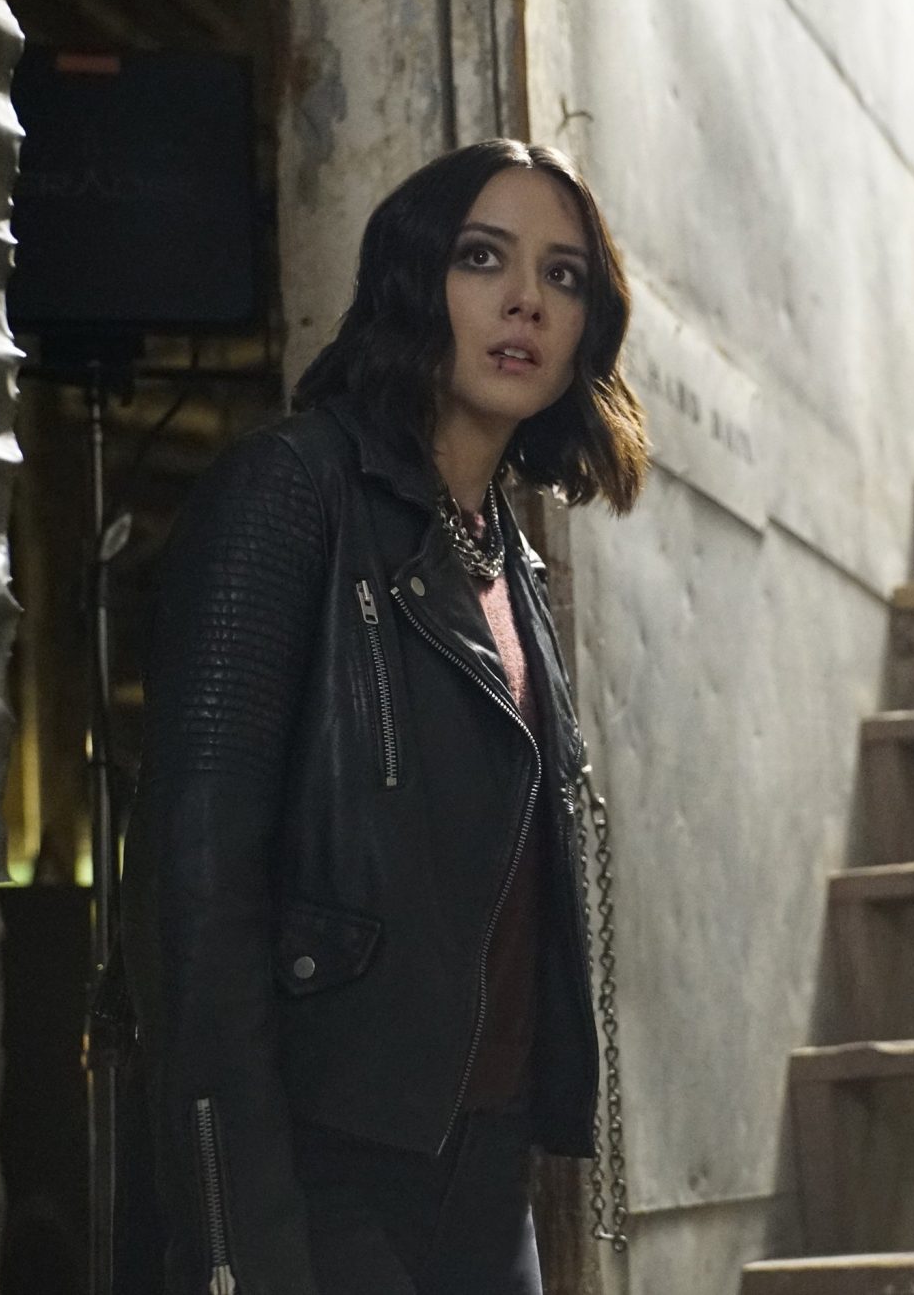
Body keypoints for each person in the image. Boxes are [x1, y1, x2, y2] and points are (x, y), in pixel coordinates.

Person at [121, 138, 648, 1295]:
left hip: (482, 1157)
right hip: (322, 1157)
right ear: (414, 279)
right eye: (482, 258)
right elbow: (194, 890)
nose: (525, 300)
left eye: (562, 276)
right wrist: (235, 1222)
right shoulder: (289, 491)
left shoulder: (508, 561)